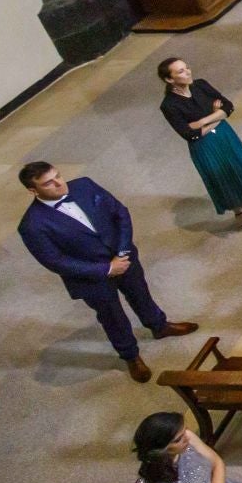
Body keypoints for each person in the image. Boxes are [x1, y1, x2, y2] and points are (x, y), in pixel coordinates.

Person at [16, 161, 197, 382]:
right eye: (48, 183)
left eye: (58, 176)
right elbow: (55, 261)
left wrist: (122, 253)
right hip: (90, 278)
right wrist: (107, 268)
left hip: (124, 258)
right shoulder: (32, 225)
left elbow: (120, 213)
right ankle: (131, 355)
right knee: (112, 316)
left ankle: (159, 326)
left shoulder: (84, 185)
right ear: (33, 191)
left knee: (140, 293)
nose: (59, 184)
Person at [158, 56, 242, 227]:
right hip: (204, 145)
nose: (187, 72)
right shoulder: (169, 105)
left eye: (186, 67)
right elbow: (189, 133)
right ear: (169, 79)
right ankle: (239, 212)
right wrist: (217, 115)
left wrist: (203, 122)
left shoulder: (201, 85)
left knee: (236, 168)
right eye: (180, 71)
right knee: (222, 176)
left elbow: (228, 106)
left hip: (224, 135)